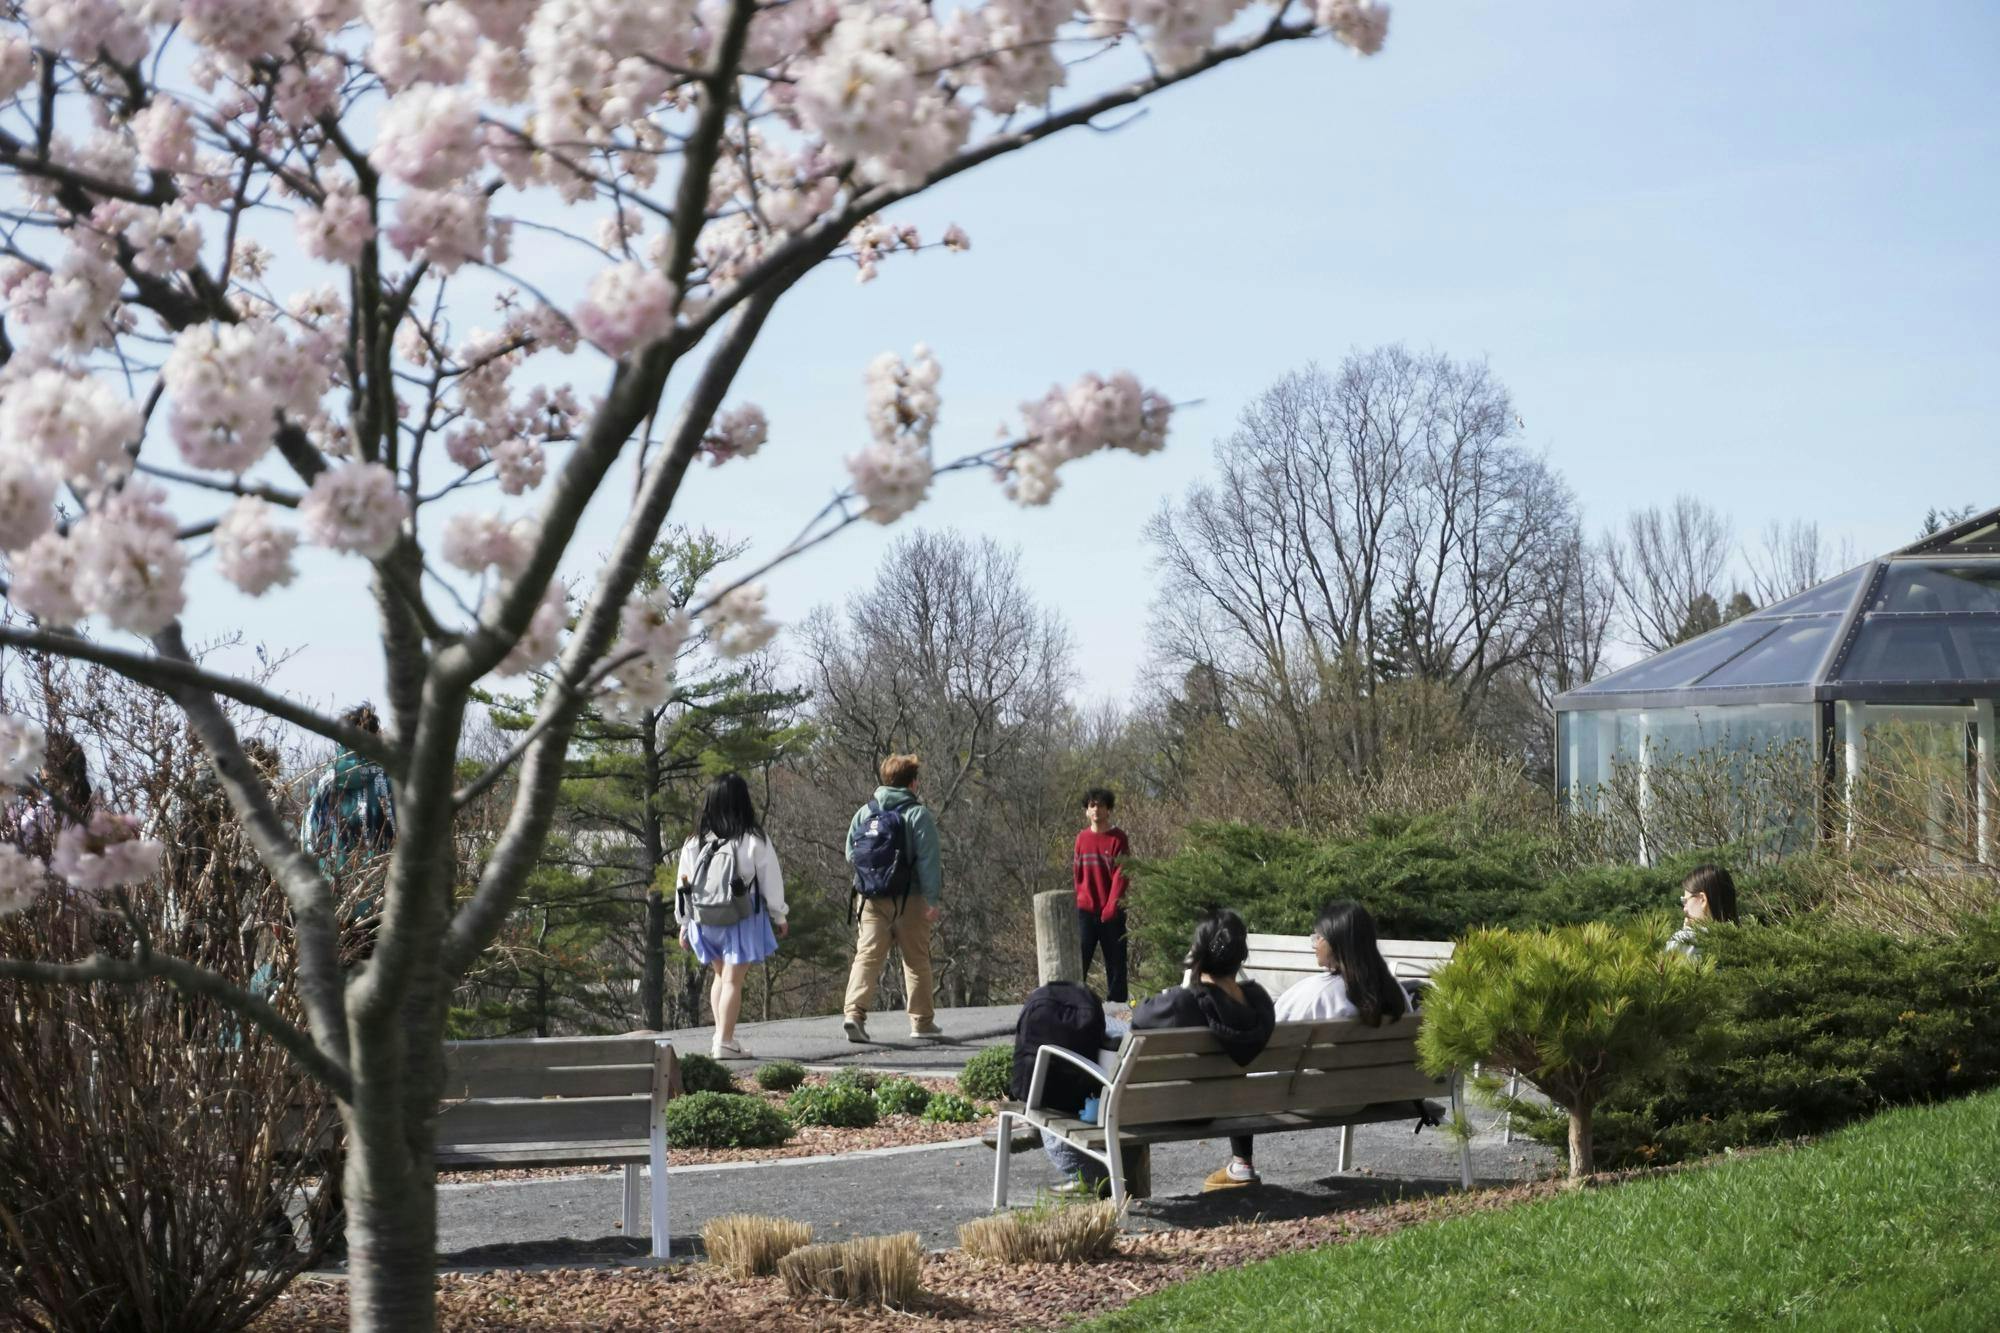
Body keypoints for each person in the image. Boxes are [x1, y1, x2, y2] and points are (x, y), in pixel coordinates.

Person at [1047, 907, 1276, 1196]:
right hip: (1233, 1105)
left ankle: (1095, 1175)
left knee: (1106, 1029)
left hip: (1179, 1108)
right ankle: (1241, 1161)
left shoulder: (1183, 1004)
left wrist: (1187, 983)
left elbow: (1140, 1017)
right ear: (1240, 956)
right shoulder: (1259, 1003)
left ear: (1198, 954)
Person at [674, 772, 788, 1060]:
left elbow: (683, 884)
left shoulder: (694, 841)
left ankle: (721, 1037)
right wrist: (779, 914)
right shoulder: (752, 838)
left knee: (720, 976)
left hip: (704, 918)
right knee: (732, 981)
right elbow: (771, 879)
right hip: (741, 915)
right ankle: (724, 1041)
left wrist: (683, 923)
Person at [841, 753, 944, 1044]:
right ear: (912, 783)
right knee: (916, 960)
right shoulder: (917, 815)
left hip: (870, 897)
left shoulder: (865, 812)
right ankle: (921, 1022)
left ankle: (854, 1014)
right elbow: (928, 860)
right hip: (910, 898)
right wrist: (932, 899)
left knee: (867, 956)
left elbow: (851, 853)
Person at [302, 703, 396, 963]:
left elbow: (308, 840)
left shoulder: (324, 784)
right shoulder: (389, 782)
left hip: (332, 903)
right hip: (380, 904)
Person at [1272, 900, 1413, 1025]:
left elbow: (1277, 1032)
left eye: (1318, 937)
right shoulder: (1397, 993)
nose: (1315, 944)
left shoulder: (1318, 994)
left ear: (1335, 941)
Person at [1073, 787, 1131, 1004]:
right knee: (1078, 962)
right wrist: (1081, 900)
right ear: (1087, 811)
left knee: (1116, 966)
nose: (1096, 809)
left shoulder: (1118, 838)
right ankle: (1074, 1004)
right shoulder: (1081, 839)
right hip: (1085, 912)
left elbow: (1122, 875)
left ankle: (1117, 1009)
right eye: (1092, 805)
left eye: (1101, 805)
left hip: (1111, 913)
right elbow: (1078, 874)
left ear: (1109, 810)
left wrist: (1111, 906)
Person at [1667, 863, 1738, 959]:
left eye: (1685, 901)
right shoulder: (1746, 941)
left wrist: (1684, 932)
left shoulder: (1686, 941)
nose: (1684, 909)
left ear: (1702, 899)